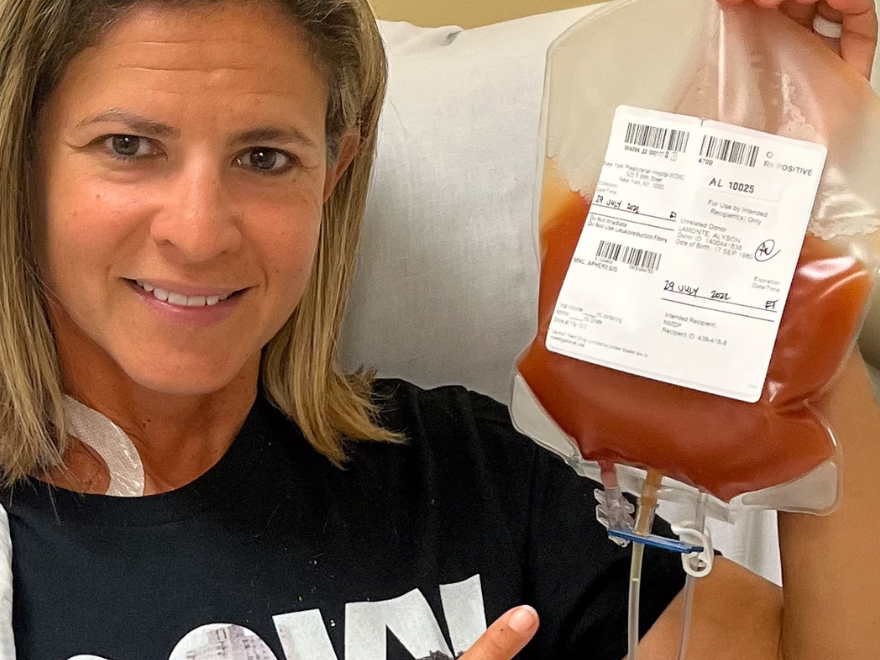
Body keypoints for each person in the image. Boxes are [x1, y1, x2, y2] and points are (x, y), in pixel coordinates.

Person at [0, 0, 876, 658]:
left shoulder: (468, 476)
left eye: (266, 158)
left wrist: (775, 213)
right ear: (22, 159)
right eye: (127, 146)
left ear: (333, 176)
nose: (198, 232)